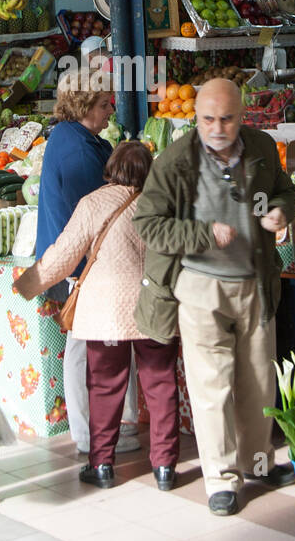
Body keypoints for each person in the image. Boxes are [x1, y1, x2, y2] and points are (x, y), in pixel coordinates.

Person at [133, 78, 295, 516]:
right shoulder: (175, 160)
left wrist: (280, 209)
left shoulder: (261, 146)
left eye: (227, 118)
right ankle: (221, 480)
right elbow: (148, 222)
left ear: (242, 116)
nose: (218, 127)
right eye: (208, 119)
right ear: (196, 117)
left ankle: (257, 462)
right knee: (212, 385)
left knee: (260, 379)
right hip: (200, 285)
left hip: (255, 281)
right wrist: (202, 235)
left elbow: (284, 189)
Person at [14, 142, 179, 491]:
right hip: (156, 306)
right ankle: (165, 466)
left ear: (111, 168)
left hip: (108, 312)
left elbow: (64, 254)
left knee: (104, 386)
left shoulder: (92, 204)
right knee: (161, 384)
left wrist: (28, 284)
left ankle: (102, 463)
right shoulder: (163, 203)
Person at [34, 66, 140, 455]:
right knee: (84, 347)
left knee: (111, 339)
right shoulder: (77, 150)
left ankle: (119, 424)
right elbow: (90, 216)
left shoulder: (80, 137)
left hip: (89, 261)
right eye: (102, 103)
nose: (110, 108)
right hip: (83, 264)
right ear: (81, 105)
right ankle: (87, 432)